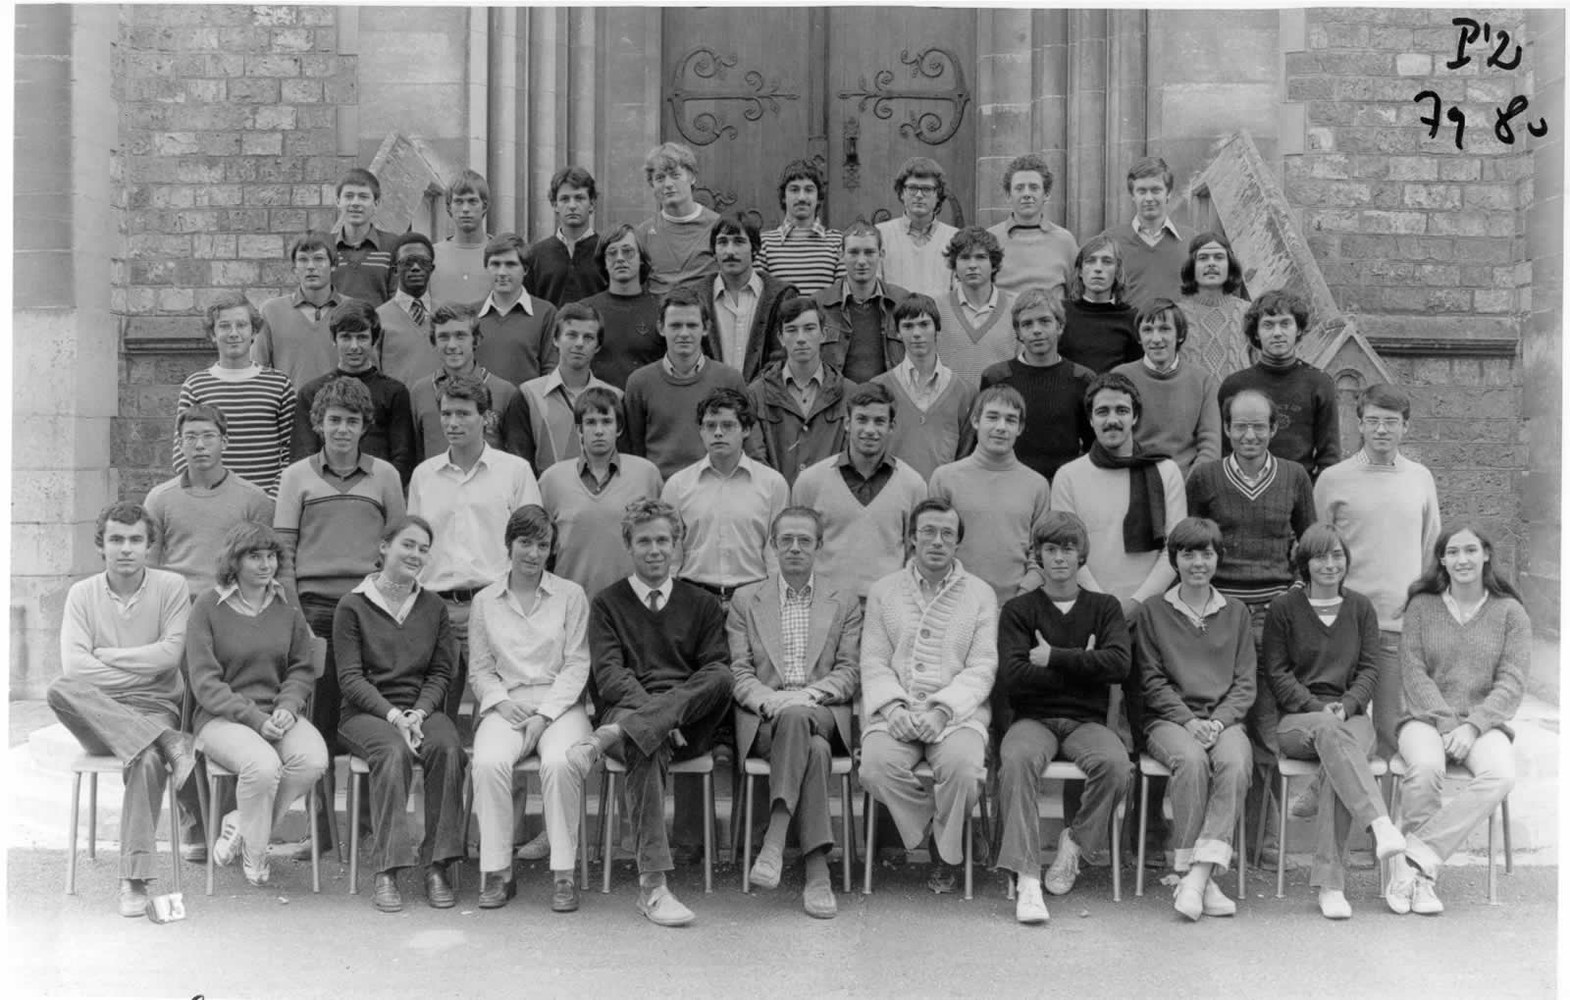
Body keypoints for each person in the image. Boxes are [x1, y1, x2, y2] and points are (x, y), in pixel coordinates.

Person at [565, 499, 734, 927]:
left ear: (677, 545)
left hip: (687, 728)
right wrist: (658, 719)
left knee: (721, 676)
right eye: (644, 541)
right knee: (646, 740)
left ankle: (616, 734)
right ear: (629, 545)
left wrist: (667, 718)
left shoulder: (702, 604)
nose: (654, 550)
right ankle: (653, 888)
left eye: (663, 540)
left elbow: (714, 670)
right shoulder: (607, 604)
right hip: (634, 717)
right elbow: (609, 677)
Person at [46, 502, 198, 917]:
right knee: (59, 689)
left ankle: (134, 879)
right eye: (116, 539)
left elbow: (169, 657)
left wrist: (107, 657)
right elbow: (75, 669)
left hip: (154, 706)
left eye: (135, 540)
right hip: (98, 713)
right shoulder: (82, 594)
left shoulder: (172, 586)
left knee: (146, 759)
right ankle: (167, 741)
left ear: (149, 546)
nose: (126, 548)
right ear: (101, 546)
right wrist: (142, 668)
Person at [274, 375, 406, 852]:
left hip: (369, 609)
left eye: (352, 421)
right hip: (316, 609)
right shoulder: (296, 477)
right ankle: (323, 831)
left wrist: (390, 606)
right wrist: (295, 617)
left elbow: (398, 549)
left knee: (370, 714)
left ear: (365, 425)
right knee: (321, 720)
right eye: (334, 420)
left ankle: (367, 828)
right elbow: (284, 553)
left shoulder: (385, 476)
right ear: (319, 423)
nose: (343, 429)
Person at [1384, 525, 1531, 916]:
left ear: (1486, 554)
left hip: (1483, 723)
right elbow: (1414, 673)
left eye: (1470, 550)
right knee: (1426, 767)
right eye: (1453, 552)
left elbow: (1512, 683)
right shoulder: (1422, 607)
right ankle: (1420, 876)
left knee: (1501, 775)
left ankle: (1416, 861)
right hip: (1424, 718)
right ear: (1442, 560)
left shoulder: (1510, 613)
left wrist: (1473, 725)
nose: (1462, 559)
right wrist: (1449, 724)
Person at [995, 511, 1133, 924]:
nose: (1059, 557)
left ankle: (1074, 844)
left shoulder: (1104, 607)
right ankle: (1027, 878)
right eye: (1051, 549)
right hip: (1033, 719)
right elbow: (1014, 676)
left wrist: (1054, 656)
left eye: (1068, 549)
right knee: (1016, 761)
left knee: (1116, 765)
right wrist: (1085, 662)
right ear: (1037, 555)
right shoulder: (1019, 610)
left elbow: (1119, 665)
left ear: (1081, 555)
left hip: (1086, 722)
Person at [1264, 523, 1407, 920]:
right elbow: (1277, 673)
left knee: (1337, 764)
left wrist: (1346, 705)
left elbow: (1369, 668)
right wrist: (1317, 706)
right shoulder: (1283, 609)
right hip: (1298, 720)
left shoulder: (1361, 608)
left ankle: (1331, 885)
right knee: (1332, 737)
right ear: (1304, 564)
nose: (1330, 564)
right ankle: (1380, 824)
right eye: (1320, 557)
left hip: (1351, 716)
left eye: (1337, 555)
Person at [728, 506, 862, 918]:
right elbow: (739, 671)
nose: (795, 548)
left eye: (805, 540)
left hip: (821, 710)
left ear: (819, 545)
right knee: (814, 752)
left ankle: (775, 837)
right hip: (767, 718)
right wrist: (770, 700)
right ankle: (817, 872)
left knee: (799, 717)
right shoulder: (746, 600)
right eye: (786, 540)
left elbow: (849, 671)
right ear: (772, 545)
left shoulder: (843, 601)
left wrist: (808, 696)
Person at [858, 498, 997, 894]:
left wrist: (943, 711)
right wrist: (893, 708)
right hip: (896, 713)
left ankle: (945, 856)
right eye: (928, 532)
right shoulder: (884, 591)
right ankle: (942, 832)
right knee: (874, 768)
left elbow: (983, 665)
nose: (937, 541)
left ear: (958, 542)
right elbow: (873, 660)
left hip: (957, 716)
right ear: (912, 538)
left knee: (964, 771)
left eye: (947, 534)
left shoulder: (980, 594)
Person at [334, 516, 467, 912]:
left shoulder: (433, 606)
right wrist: (395, 717)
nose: (416, 554)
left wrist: (419, 713)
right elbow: (350, 678)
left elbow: (441, 672)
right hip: (366, 713)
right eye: (408, 545)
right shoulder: (352, 605)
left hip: (421, 709)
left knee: (448, 747)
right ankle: (387, 869)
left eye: (424, 549)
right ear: (384, 546)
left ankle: (437, 865)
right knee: (392, 752)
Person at [187, 523, 327, 889]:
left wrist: (289, 705)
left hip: (277, 713)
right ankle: (256, 851)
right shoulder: (207, 606)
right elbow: (205, 683)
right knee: (262, 766)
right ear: (234, 561)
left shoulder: (286, 605)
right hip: (221, 717)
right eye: (255, 556)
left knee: (312, 760)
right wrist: (254, 718)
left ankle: (241, 824)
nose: (266, 565)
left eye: (271, 556)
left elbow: (301, 666)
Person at [468, 505, 593, 912]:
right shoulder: (485, 601)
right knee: (489, 763)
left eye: (542, 545)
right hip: (508, 704)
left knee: (560, 763)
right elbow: (480, 669)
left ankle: (564, 875)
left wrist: (546, 715)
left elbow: (577, 664)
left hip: (561, 705)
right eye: (525, 543)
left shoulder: (571, 595)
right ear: (509, 544)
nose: (533, 553)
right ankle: (499, 871)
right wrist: (501, 703)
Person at [1132, 517, 1256, 921]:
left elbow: (1245, 683)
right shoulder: (1154, 611)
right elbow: (1151, 680)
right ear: (1175, 560)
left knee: (1235, 762)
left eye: (1206, 553)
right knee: (1190, 760)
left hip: (1223, 720)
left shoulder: (1236, 613)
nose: (1198, 563)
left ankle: (1196, 875)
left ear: (1218, 558)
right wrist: (1188, 721)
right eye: (1188, 554)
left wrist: (1217, 723)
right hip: (1169, 721)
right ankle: (1197, 874)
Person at [1186, 388, 1316, 768]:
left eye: (1259, 427)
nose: (1249, 436)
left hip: (1272, 613)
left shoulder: (1294, 476)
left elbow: (1311, 545)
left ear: (1273, 429)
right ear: (1226, 428)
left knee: (1264, 716)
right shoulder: (1205, 477)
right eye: (1240, 426)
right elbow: (1192, 545)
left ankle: (1265, 805)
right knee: (1216, 713)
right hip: (1218, 612)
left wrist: (1293, 593)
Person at [1315, 382, 1441, 759]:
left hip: (1396, 624)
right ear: (1360, 425)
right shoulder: (1333, 479)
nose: (1381, 429)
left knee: (1391, 728)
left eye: (1391, 421)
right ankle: (1342, 796)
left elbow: (1431, 549)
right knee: (1340, 727)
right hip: (1343, 624)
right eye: (1372, 421)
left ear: (1406, 426)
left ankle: (1385, 799)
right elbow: (1316, 550)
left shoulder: (1420, 478)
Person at [407, 374, 543, 720]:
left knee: (500, 717)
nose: (453, 422)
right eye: (446, 413)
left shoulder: (515, 471)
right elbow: (414, 549)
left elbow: (532, 547)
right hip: (436, 609)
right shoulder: (424, 475)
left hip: (496, 607)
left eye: (463, 414)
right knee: (435, 718)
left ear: (487, 418)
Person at [1050, 373, 1187, 616]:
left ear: (1135, 417)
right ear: (1090, 419)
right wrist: (1107, 608)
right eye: (1102, 411)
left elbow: (1175, 549)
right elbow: (1067, 550)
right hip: (1088, 610)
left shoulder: (1166, 472)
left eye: (1122, 411)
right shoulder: (1068, 477)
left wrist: (1137, 604)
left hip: (1154, 611)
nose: (1112, 420)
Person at [790, 382, 928, 603]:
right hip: (825, 605)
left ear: (891, 426)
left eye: (879, 421)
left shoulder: (913, 485)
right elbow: (797, 546)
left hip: (887, 606)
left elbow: (915, 554)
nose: (870, 430)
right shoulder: (810, 482)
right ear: (847, 423)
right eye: (862, 419)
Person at [661, 388, 788, 609]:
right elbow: (672, 554)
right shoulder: (678, 485)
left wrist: (775, 603)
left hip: (754, 598)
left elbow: (775, 552)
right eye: (710, 426)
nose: (718, 433)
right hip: (694, 599)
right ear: (701, 431)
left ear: (746, 430)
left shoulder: (772, 484)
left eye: (728, 425)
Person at [536, 387, 665, 602]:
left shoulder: (646, 474)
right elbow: (540, 548)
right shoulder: (552, 480)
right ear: (579, 429)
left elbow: (664, 540)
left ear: (619, 429)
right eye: (590, 422)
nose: (599, 430)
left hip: (633, 604)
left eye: (606, 422)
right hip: (569, 603)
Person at [929, 386, 1051, 606]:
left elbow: (1041, 553)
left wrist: (1021, 598)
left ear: (1020, 428)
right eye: (992, 417)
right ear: (976, 421)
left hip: (1016, 608)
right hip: (953, 603)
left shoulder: (1037, 485)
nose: (1001, 427)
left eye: (1010, 420)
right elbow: (932, 544)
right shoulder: (945, 479)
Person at [147, 403, 274, 600]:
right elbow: (149, 564)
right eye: (190, 437)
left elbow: (265, 564)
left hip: (232, 601)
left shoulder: (254, 498)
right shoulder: (159, 498)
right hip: (177, 601)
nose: (200, 445)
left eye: (208, 436)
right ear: (180, 444)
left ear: (224, 442)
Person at [174, 292, 295, 498]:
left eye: (241, 325)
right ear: (212, 334)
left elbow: (291, 451)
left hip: (265, 504)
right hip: (212, 505)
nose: (233, 333)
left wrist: (272, 499)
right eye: (224, 326)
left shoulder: (279, 384)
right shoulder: (195, 386)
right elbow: (182, 453)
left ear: (254, 331)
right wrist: (206, 496)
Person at [622, 284, 751, 479]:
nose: (684, 333)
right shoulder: (639, 383)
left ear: (706, 328)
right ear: (661, 328)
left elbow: (745, 443)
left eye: (692, 325)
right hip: (660, 489)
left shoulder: (730, 379)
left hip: (716, 485)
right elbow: (634, 450)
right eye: (675, 325)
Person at [1218, 290, 1340, 480]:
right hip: (1244, 486)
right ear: (1256, 333)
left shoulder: (1319, 383)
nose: (1277, 333)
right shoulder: (1235, 386)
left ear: (1298, 329)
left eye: (1285, 324)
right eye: (1268, 325)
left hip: (1299, 489)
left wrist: (1312, 491)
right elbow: (1224, 451)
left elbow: (1330, 457)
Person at [292, 299, 416, 484]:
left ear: (374, 339)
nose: (354, 346)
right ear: (334, 339)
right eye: (346, 337)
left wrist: (375, 490)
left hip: (377, 491)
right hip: (324, 492)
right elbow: (303, 455)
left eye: (362, 337)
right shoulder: (311, 393)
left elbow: (403, 458)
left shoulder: (394, 393)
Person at [980, 288, 1095, 483]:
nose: (1036, 330)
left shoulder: (1082, 379)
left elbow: (1092, 444)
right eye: (1027, 324)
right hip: (1009, 484)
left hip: (1063, 486)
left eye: (1044, 321)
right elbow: (982, 441)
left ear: (1060, 326)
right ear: (1018, 332)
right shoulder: (996, 377)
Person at [747, 295, 856, 486]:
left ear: (824, 334)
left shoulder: (849, 393)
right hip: (776, 499)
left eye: (809, 329)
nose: (801, 339)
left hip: (830, 498)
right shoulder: (757, 394)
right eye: (791, 330)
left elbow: (852, 457)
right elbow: (755, 459)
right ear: (780, 338)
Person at [870, 293, 977, 481]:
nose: (917, 333)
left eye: (924, 324)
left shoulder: (965, 392)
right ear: (897, 333)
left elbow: (966, 457)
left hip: (942, 495)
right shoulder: (879, 388)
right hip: (892, 492)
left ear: (937, 328)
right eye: (908, 326)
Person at [501, 302, 619, 472]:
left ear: (598, 346)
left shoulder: (615, 397)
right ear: (555, 340)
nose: (579, 343)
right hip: (544, 488)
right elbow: (520, 463)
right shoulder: (528, 395)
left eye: (588, 337)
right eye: (571, 335)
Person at [1110, 298, 1221, 476]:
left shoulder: (1202, 381)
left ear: (1180, 335)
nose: (1156, 339)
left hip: (1187, 480)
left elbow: (1210, 445)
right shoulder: (1121, 377)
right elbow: (1115, 439)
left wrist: (1190, 483)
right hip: (1135, 478)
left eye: (1164, 329)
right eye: (1148, 330)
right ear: (1139, 337)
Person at [684, 213, 797, 383]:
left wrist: (754, 393)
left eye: (739, 242)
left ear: (755, 248)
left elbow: (783, 355)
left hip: (765, 395)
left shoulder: (780, 296)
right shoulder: (695, 296)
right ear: (714, 250)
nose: (730, 251)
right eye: (722, 242)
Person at [408, 302, 518, 463]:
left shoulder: (504, 392)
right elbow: (415, 453)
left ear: (476, 340)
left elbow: (515, 456)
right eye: (443, 337)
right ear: (433, 342)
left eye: (460, 336)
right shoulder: (420, 392)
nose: (452, 345)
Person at [255, 231, 359, 388]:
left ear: (333, 265)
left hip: (341, 402)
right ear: (294, 268)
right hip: (289, 403)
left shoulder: (353, 310)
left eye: (319, 259)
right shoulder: (271, 311)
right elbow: (257, 368)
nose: (311, 267)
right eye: (303, 260)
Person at [815, 220, 909, 385]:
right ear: (841, 255)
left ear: (882, 254)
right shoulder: (819, 304)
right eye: (853, 252)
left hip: (889, 398)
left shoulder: (901, 302)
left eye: (869, 252)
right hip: (836, 398)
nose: (861, 261)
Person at [581, 223, 666, 391]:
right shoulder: (585, 311)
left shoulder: (660, 310)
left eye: (628, 252)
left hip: (645, 403)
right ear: (604, 262)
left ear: (641, 259)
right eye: (612, 253)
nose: (620, 258)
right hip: (597, 404)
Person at [1098, 156, 1186, 313]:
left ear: (1168, 193)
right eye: (1142, 191)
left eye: (1156, 190)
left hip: (1179, 328)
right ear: (1133, 195)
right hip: (1125, 328)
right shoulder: (1110, 241)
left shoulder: (1191, 241)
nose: (1149, 198)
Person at [987, 153, 1078, 300]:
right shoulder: (990, 240)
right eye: (1019, 188)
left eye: (1034, 188)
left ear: (1046, 194)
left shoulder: (1065, 242)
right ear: (1008, 195)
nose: (1027, 194)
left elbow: (1076, 295)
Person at [474, 232, 560, 388]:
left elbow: (551, 369)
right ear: (486, 268)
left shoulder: (545, 313)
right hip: (479, 402)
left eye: (511, 264)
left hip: (527, 402)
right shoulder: (470, 314)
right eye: (495, 264)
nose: (502, 272)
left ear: (525, 269)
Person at [934, 226, 1017, 385]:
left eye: (980, 257)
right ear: (954, 265)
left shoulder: (1015, 308)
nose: (972, 265)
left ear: (994, 264)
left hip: (1000, 399)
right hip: (951, 399)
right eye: (964, 258)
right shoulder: (936, 308)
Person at [636, 142, 721, 295]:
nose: (668, 184)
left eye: (675, 176)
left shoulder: (718, 226)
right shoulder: (643, 233)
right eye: (660, 178)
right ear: (652, 185)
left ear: (692, 177)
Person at [875, 157, 959, 299]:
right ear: (902, 193)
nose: (919, 195)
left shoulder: (954, 238)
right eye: (912, 188)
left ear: (938, 195)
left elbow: (959, 292)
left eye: (927, 189)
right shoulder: (880, 234)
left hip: (940, 313)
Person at [757, 159, 843, 294]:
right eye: (794, 190)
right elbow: (761, 299)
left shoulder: (838, 242)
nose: (802, 197)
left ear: (818, 197)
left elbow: (841, 298)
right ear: (783, 197)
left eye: (809, 190)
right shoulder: (764, 244)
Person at [525, 165, 607, 307]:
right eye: (565, 199)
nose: (572, 205)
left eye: (579, 198)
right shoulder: (536, 254)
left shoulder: (607, 250)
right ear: (554, 204)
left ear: (592, 203)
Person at [1059, 235, 1141, 375]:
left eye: (1107, 262)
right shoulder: (1061, 313)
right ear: (1080, 271)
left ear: (1117, 271)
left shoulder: (1132, 319)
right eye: (1090, 261)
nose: (1098, 268)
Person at [1177, 231, 1252, 383]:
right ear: (1192, 266)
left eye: (1219, 257)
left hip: (1241, 397)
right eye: (1203, 258)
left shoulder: (1249, 312)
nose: (1211, 263)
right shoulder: (1176, 314)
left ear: (1230, 265)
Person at [375, 232, 439, 388]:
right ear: (395, 269)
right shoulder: (378, 318)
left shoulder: (447, 316)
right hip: (396, 402)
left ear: (432, 268)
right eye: (407, 262)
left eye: (423, 262)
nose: (416, 268)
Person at [329, 167, 397, 307]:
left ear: (376, 204)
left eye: (363, 197)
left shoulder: (393, 246)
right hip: (334, 321)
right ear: (338, 201)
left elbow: (397, 303)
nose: (355, 203)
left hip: (379, 321)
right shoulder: (325, 247)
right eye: (349, 196)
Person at [431, 169, 493, 308]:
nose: (465, 209)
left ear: (484, 206)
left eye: (472, 201)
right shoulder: (432, 256)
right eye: (458, 201)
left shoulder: (501, 255)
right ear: (449, 207)